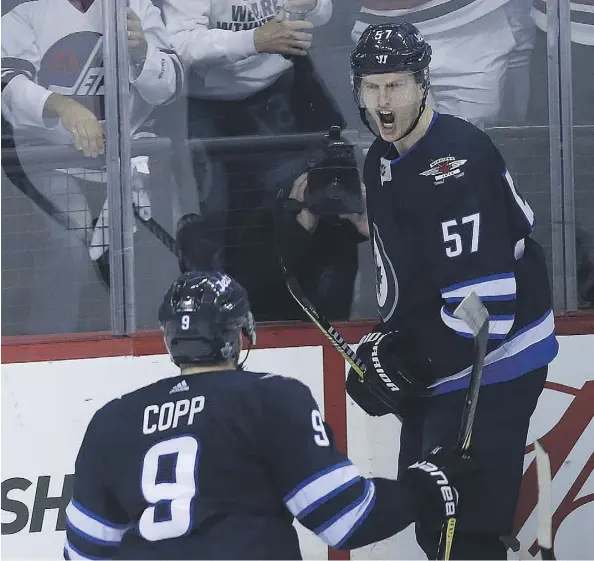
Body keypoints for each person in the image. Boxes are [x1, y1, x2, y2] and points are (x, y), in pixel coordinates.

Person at [64, 270, 473, 560]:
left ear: (170, 338)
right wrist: (427, 484)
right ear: (242, 333)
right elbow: (347, 519)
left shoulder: (111, 420)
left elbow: (84, 551)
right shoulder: (270, 399)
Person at [345, 22, 559, 559]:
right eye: (371, 87)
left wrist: (411, 363)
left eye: (394, 85)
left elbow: (488, 307)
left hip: (496, 360)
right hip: (448, 355)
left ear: (422, 83)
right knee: (431, 516)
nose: (382, 101)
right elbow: (413, 275)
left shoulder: (456, 162)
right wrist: (388, 347)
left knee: (463, 527)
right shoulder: (382, 158)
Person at [1, 0, 183, 333]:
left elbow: (169, 87)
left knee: (161, 248)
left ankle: (158, 349)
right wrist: (62, 105)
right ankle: (51, 349)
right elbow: (7, 85)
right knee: (69, 245)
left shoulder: (135, 7)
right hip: (52, 163)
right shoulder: (27, 11)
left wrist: (142, 52)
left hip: (127, 163)